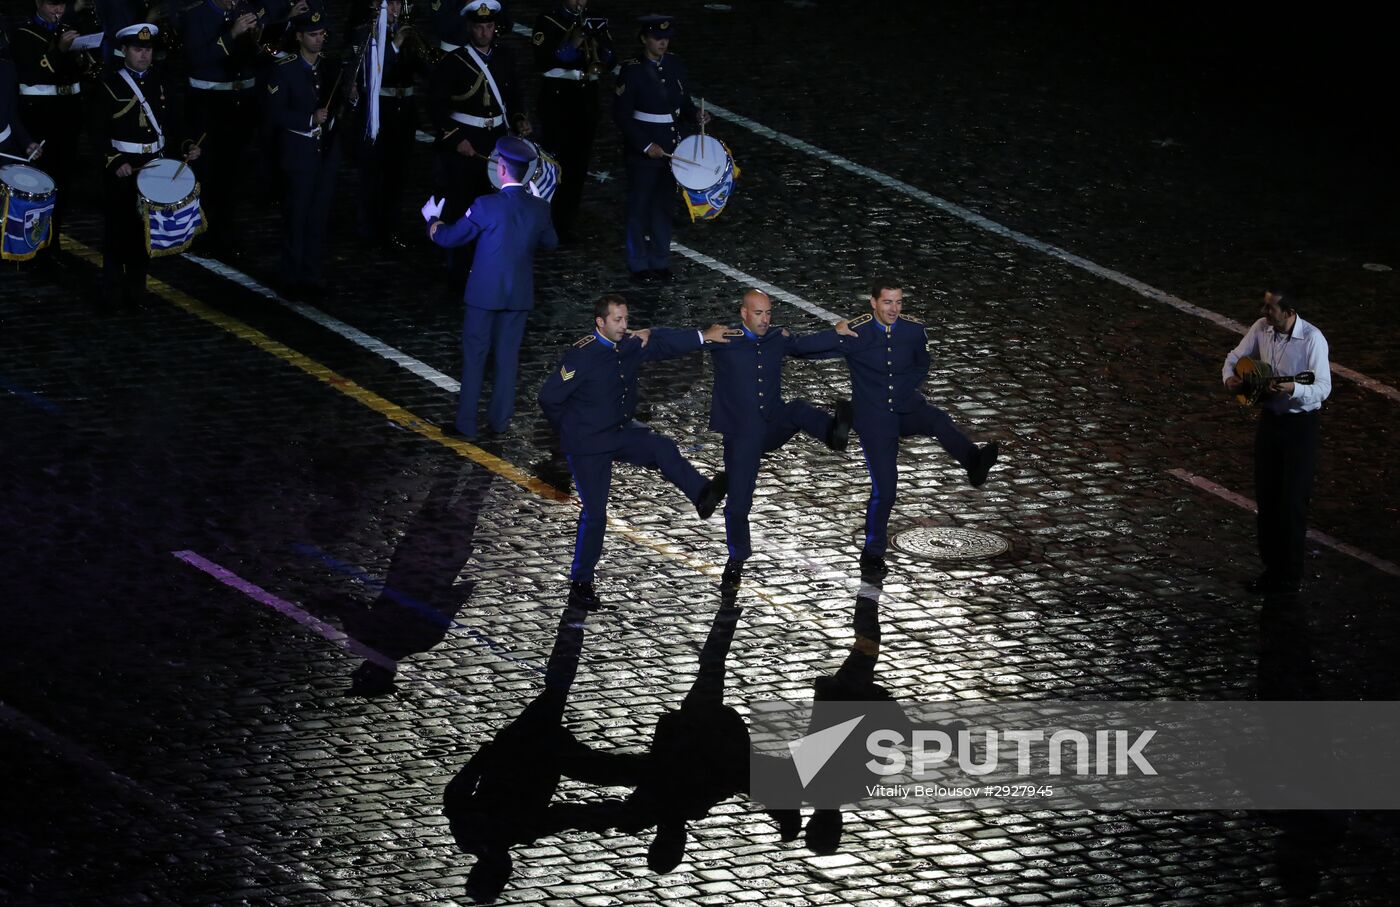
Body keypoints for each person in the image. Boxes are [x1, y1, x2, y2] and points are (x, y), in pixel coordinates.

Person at [538, 294, 730, 609]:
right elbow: (549, 398)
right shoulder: (582, 356)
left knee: (661, 447)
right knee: (595, 515)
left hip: (618, 432)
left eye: (626, 319)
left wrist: (703, 337)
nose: (625, 326)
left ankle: (702, 495)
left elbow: (660, 341)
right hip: (588, 446)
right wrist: (574, 430)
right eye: (618, 320)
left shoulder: (625, 344)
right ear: (600, 322)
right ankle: (581, 582)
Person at [829, 278, 1000, 575]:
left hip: (906, 410)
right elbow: (809, 348)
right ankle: (872, 552)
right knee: (886, 489)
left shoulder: (913, 330)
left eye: (898, 302)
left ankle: (973, 462)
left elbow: (923, 362)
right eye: (887, 302)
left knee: (936, 419)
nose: (894, 309)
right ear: (873, 302)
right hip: (875, 421)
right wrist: (824, 334)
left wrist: (902, 390)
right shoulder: (857, 332)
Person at [706, 289, 852, 590]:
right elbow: (680, 343)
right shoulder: (724, 342)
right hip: (742, 436)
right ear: (743, 313)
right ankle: (736, 560)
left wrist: (836, 335)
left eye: (768, 313)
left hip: (772, 425)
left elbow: (803, 346)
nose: (764, 319)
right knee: (738, 505)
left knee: (797, 409)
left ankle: (833, 434)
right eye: (758, 313)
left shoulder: (775, 338)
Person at [424, 135, 559, 439]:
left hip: (484, 295)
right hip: (519, 296)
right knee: (507, 360)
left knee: (474, 358)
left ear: (501, 169)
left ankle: (466, 424)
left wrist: (432, 221)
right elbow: (551, 242)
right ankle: (499, 422)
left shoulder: (486, 205)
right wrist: (542, 205)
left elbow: (450, 238)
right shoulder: (539, 209)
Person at [1222, 287, 1332, 594]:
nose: (1264, 312)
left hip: (1300, 428)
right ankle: (1272, 570)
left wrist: (1292, 389)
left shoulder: (1312, 339)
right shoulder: (1261, 328)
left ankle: (1290, 575)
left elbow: (1322, 387)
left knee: (1293, 502)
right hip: (1271, 424)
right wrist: (1230, 378)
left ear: (1288, 311)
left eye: (1270, 308)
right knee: (1268, 499)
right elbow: (1235, 357)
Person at [426, 0, 530, 288]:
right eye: (479, 27)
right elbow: (436, 106)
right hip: (466, 142)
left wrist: (519, 119)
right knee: (462, 207)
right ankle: (457, 272)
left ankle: (487, 269)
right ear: (470, 28)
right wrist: (456, 139)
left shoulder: (505, 58)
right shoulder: (454, 61)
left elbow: (514, 95)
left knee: (496, 208)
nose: (484, 32)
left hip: (496, 141)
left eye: (489, 26)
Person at [98, 23, 201, 306]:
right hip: (123, 166)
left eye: (148, 50)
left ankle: (136, 291)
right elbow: (97, 129)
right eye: (138, 49)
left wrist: (186, 145)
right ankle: (110, 292)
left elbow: (174, 122)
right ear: (124, 51)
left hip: (154, 164)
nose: (144, 55)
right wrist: (114, 159)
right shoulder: (109, 84)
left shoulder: (162, 80)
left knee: (144, 231)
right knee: (117, 230)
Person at [611, 14, 708, 282]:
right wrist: (644, 144)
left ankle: (660, 258)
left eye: (665, 38)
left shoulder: (675, 64)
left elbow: (683, 101)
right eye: (657, 38)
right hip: (645, 148)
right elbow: (621, 114)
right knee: (640, 206)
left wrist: (695, 116)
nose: (662, 43)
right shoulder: (631, 70)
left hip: (672, 148)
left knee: (664, 206)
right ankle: (639, 263)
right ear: (644, 39)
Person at [265, 9, 345, 298]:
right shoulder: (285, 69)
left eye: (322, 34)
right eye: (313, 35)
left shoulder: (328, 66)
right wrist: (309, 119)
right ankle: (291, 274)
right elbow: (275, 113)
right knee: (296, 216)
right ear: (299, 37)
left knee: (318, 216)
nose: (319, 39)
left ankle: (311, 273)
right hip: (298, 153)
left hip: (323, 152)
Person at [180, 0, 265, 255]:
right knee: (209, 171)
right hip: (210, 102)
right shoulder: (196, 15)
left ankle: (227, 232)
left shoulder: (249, 8)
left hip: (243, 101)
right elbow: (197, 59)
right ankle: (205, 233)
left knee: (235, 171)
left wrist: (259, 39)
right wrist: (232, 35)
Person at [11, 0, 89, 266]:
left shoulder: (68, 27)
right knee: (40, 181)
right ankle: (33, 244)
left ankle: (52, 241)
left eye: (61, 5)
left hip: (69, 113)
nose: (58, 11)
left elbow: (83, 72)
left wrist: (81, 54)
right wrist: (60, 50)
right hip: (40, 116)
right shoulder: (23, 33)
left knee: (64, 181)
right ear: (38, 3)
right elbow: (32, 72)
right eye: (52, 5)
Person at [530, 0, 613, 242]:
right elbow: (544, 59)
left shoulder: (595, 19)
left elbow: (611, 59)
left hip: (586, 97)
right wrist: (575, 39)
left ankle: (565, 224)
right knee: (553, 163)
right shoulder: (548, 19)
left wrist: (599, 45)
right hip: (558, 96)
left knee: (578, 166)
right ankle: (545, 223)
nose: (580, 3)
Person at [349, 0, 427, 250]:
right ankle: (367, 229)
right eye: (390, 3)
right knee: (373, 171)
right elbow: (373, 70)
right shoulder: (366, 32)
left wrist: (417, 47)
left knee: (398, 173)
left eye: (398, 3)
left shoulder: (409, 31)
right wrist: (395, 45)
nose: (396, 8)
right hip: (380, 108)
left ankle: (391, 228)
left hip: (405, 110)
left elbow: (425, 70)